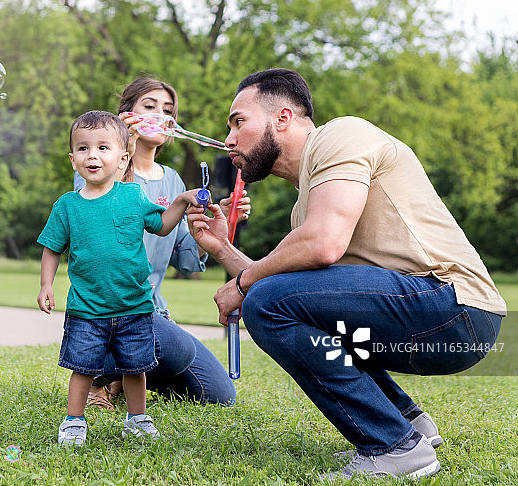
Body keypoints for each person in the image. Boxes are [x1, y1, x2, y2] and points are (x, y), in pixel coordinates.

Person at [186, 68, 506, 481]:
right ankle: (407, 424)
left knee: (266, 302)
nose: (229, 139)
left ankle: (394, 447)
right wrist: (221, 248)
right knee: (282, 302)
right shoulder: (307, 205)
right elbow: (295, 291)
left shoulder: (340, 136)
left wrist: (244, 286)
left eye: (238, 122)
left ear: (282, 118)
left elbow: (321, 246)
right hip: (440, 317)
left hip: (455, 307)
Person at [74, 77, 247, 409]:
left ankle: (126, 375)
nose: (160, 115)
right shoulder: (96, 167)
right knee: (178, 348)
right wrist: (121, 145)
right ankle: (97, 374)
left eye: (168, 111)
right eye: (149, 106)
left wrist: (212, 229)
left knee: (218, 395)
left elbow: (184, 257)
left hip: (153, 312)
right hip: (106, 311)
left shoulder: (172, 180)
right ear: (126, 115)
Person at [37, 110, 202, 447]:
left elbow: (162, 225)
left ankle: (137, 419)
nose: (92, 155)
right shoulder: (67, 206)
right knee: (83, 367)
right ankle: (73, 421)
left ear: (123, 159)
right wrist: (46, 285)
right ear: (72, 160)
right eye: (83, 148)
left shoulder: (132, 196)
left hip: (135, 305)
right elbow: (52, 248)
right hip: (87, 308)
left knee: (135, 366)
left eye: (103, 148)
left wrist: (182, 201)